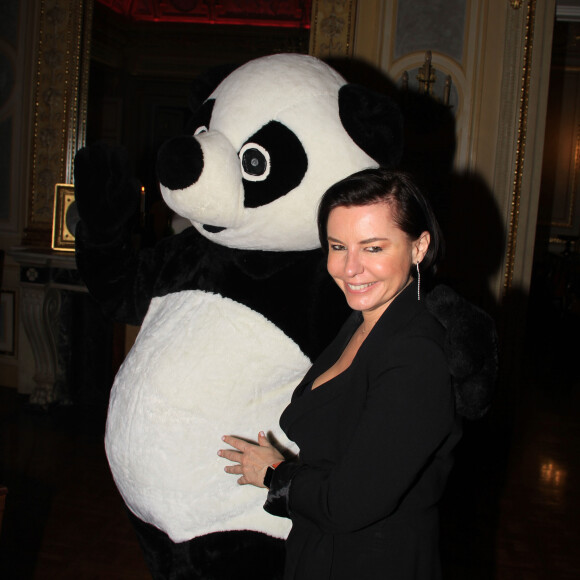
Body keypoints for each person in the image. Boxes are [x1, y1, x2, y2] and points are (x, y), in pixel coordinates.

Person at [218, 168, 462, 579]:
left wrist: (274, 474)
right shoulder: (365, 319)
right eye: (337, 246)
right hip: (327, 550)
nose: (350, 268)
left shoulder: (416, 354)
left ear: (419, 247)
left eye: (372, 248)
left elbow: (349, 503)